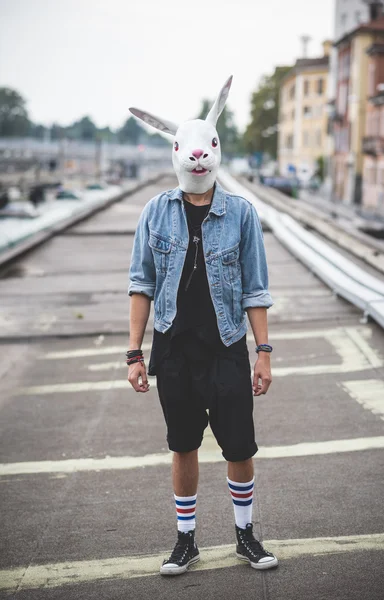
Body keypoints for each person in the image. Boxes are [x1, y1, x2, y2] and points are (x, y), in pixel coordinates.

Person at [127, 76, 278, 575]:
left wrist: (263, 351)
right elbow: (140, 285)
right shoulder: (154, 213)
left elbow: (256, 289)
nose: (197, 160)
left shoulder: (241, 214)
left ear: (217, 151)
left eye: (206, 149)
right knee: (183, 444)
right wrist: (134, 354)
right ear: (175, 153)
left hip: (228, 348)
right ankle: (185, 540)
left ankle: (245, 536)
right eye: (188, 151)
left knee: (239, 445)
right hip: (172, 349)